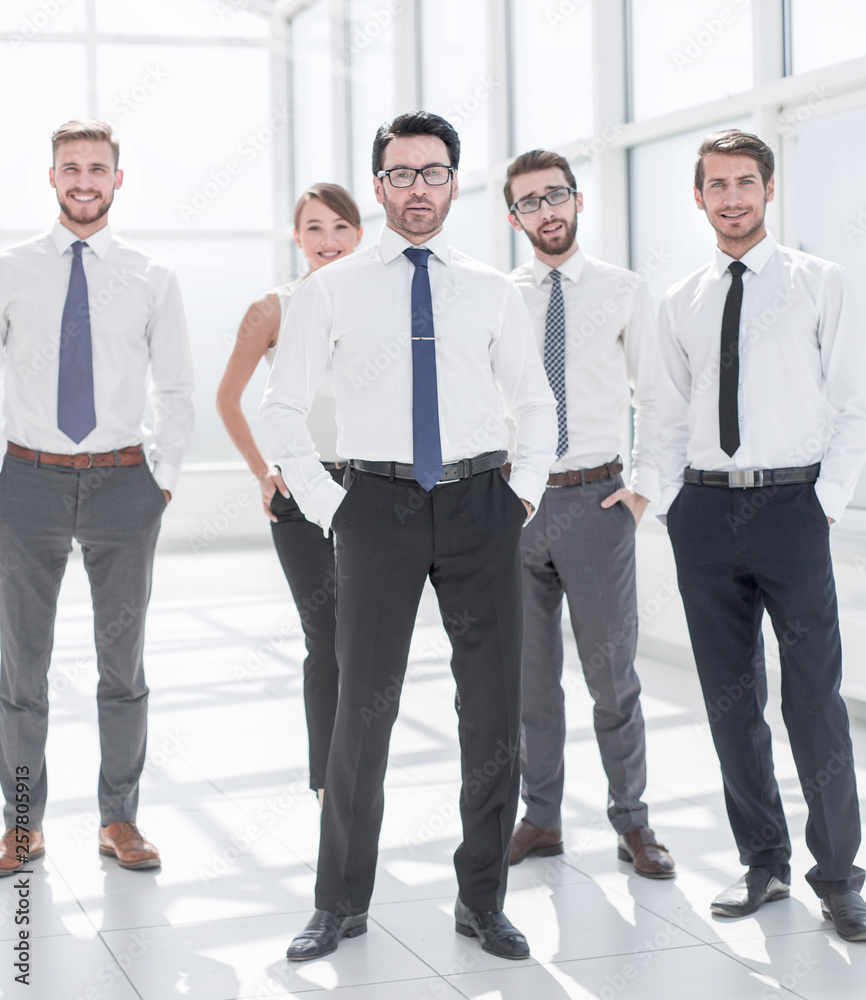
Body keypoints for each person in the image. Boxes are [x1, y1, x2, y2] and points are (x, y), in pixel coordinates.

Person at [260, 111, 556, 962]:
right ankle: (339, 903)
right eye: (400, 174)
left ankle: (482, 901)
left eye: (432, 172)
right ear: (380, 183)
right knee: (362, 710)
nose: (417, 187)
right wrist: (331, 505)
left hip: (480, 503)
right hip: (376, 508)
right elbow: (283, 408)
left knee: (492, 708)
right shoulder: (334, 287)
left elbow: (534, 402)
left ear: (454, 182)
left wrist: (522, 497)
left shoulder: (493, 288)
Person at [656, 128, 866, 941]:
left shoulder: (822, 283)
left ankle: (840, 875)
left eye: (746, 182)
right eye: (718, 184)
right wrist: (674, 506)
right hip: (706, 514)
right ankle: (764, 863)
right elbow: (668, 418)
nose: (733, 197)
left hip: (792, 509)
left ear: (768, 191)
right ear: (699, 197)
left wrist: (826, 504)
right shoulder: (681, 301)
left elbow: (851, 403)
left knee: (813, 697)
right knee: (729, 701)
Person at [0, 119, 194, 875]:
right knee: (21, 666)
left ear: (119, 179)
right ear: (51, 178)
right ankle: (23, 822)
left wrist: (162, 480)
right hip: (28, 482)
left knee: (124, 664)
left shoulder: (152, 276)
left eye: (98, 167)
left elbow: (176, 388)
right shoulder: (11, 269)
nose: (84, 178)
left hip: (122, 484)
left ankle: (120, 819)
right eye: (70, 166)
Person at [504, 149, 675, 879]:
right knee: (530, 680)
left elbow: (661, 399)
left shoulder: (623, 290)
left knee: (612, 677)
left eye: (557, 196)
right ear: (513, 216)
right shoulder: (498, 295)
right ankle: (540, 818)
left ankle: (632, 820)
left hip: (597, 500)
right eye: (530, 201)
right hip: (517, 505)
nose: (547, 211)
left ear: (577, 201)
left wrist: (639, 493)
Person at [217, 183, 362, 805]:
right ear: (296, 237)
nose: (328, 241)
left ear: (360, 233)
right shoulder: (273, 308)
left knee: (371, 640)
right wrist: (263, 471)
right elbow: (227, 398)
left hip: (374, 488)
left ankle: (362, 770)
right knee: (326, 637)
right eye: (314, 229)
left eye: (340, 227)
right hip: (301, 491)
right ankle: (331, 783)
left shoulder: (379, 302)